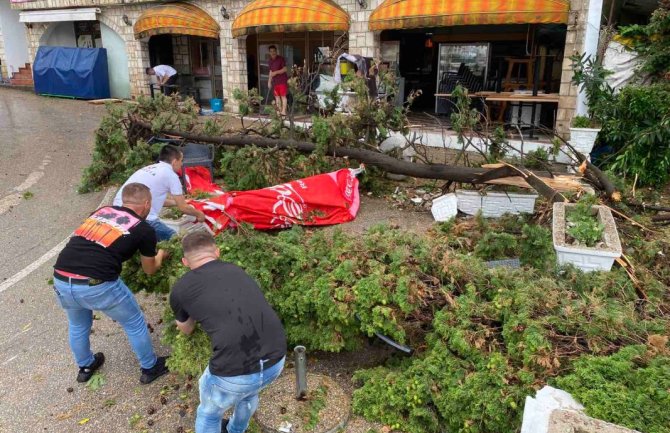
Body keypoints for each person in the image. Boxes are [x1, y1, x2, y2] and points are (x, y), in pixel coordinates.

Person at [169, 231, 286, 433]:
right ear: (217, 252)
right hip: (276, 359)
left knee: (209, 414)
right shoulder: (237, 270)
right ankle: (235, 430)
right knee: (249, 394)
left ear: (185, 262)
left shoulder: (180, 290)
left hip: (234, 373)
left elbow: (187, 329)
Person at [53, 183, 170, 384]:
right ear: (147, 203)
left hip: (61, 278)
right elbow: (149, 269)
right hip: (97, 285)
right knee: (134, 322)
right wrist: (162, 254)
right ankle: (150, 368)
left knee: (78, 324)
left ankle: (86, 366)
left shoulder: (102, 211)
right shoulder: (143, 229)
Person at [113, 144, 206, 241]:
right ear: (174, 162)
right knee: (175, 239)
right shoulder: (171, 175)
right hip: (141, 216)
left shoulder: (150, 168)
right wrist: (199, 214)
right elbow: (183, 208)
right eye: (181, 160)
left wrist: (177, 202)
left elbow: (156, 199)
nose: (182, 164)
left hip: (118, 209)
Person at [267, 45, 288, 116]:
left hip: (282, 81)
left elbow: (285, 69)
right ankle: (279, 112)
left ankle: (283, 111)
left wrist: (276, 72)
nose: (272, 53)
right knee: (277, 97)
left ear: (276, 51)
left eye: (274, 51)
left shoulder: (281, 59)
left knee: (283, 96)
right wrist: (269, 82)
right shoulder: (270, 61)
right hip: (275, 82)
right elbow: (270, 72)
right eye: (271, 51)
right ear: (269, 52)